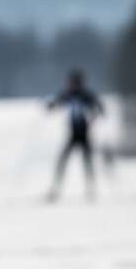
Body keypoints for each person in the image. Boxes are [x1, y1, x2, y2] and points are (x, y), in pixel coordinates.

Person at [47, 69, 103, 202]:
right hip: (72, 134)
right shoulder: (68, 95)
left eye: (73, 82)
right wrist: (50, 106)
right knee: (63, 161)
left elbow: (99, 108)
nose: (71, 85)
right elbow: (56, 102)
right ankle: (56, 189)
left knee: (87, 161)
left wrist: (93, 118)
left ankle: (91, 189)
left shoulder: (86, 96)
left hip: (84, 133)